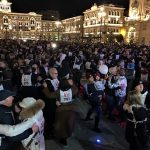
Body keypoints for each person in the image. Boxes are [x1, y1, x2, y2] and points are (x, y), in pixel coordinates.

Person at [42, 77, 78, 146]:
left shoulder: (58, 92)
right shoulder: (72, 90)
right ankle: (66, 136)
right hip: (70, 109)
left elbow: (49, 95)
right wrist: (72, 84)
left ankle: (60, 136)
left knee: (61, 125)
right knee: (68, 124)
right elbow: (76, 89)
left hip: (61, 110)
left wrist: (46, 88)